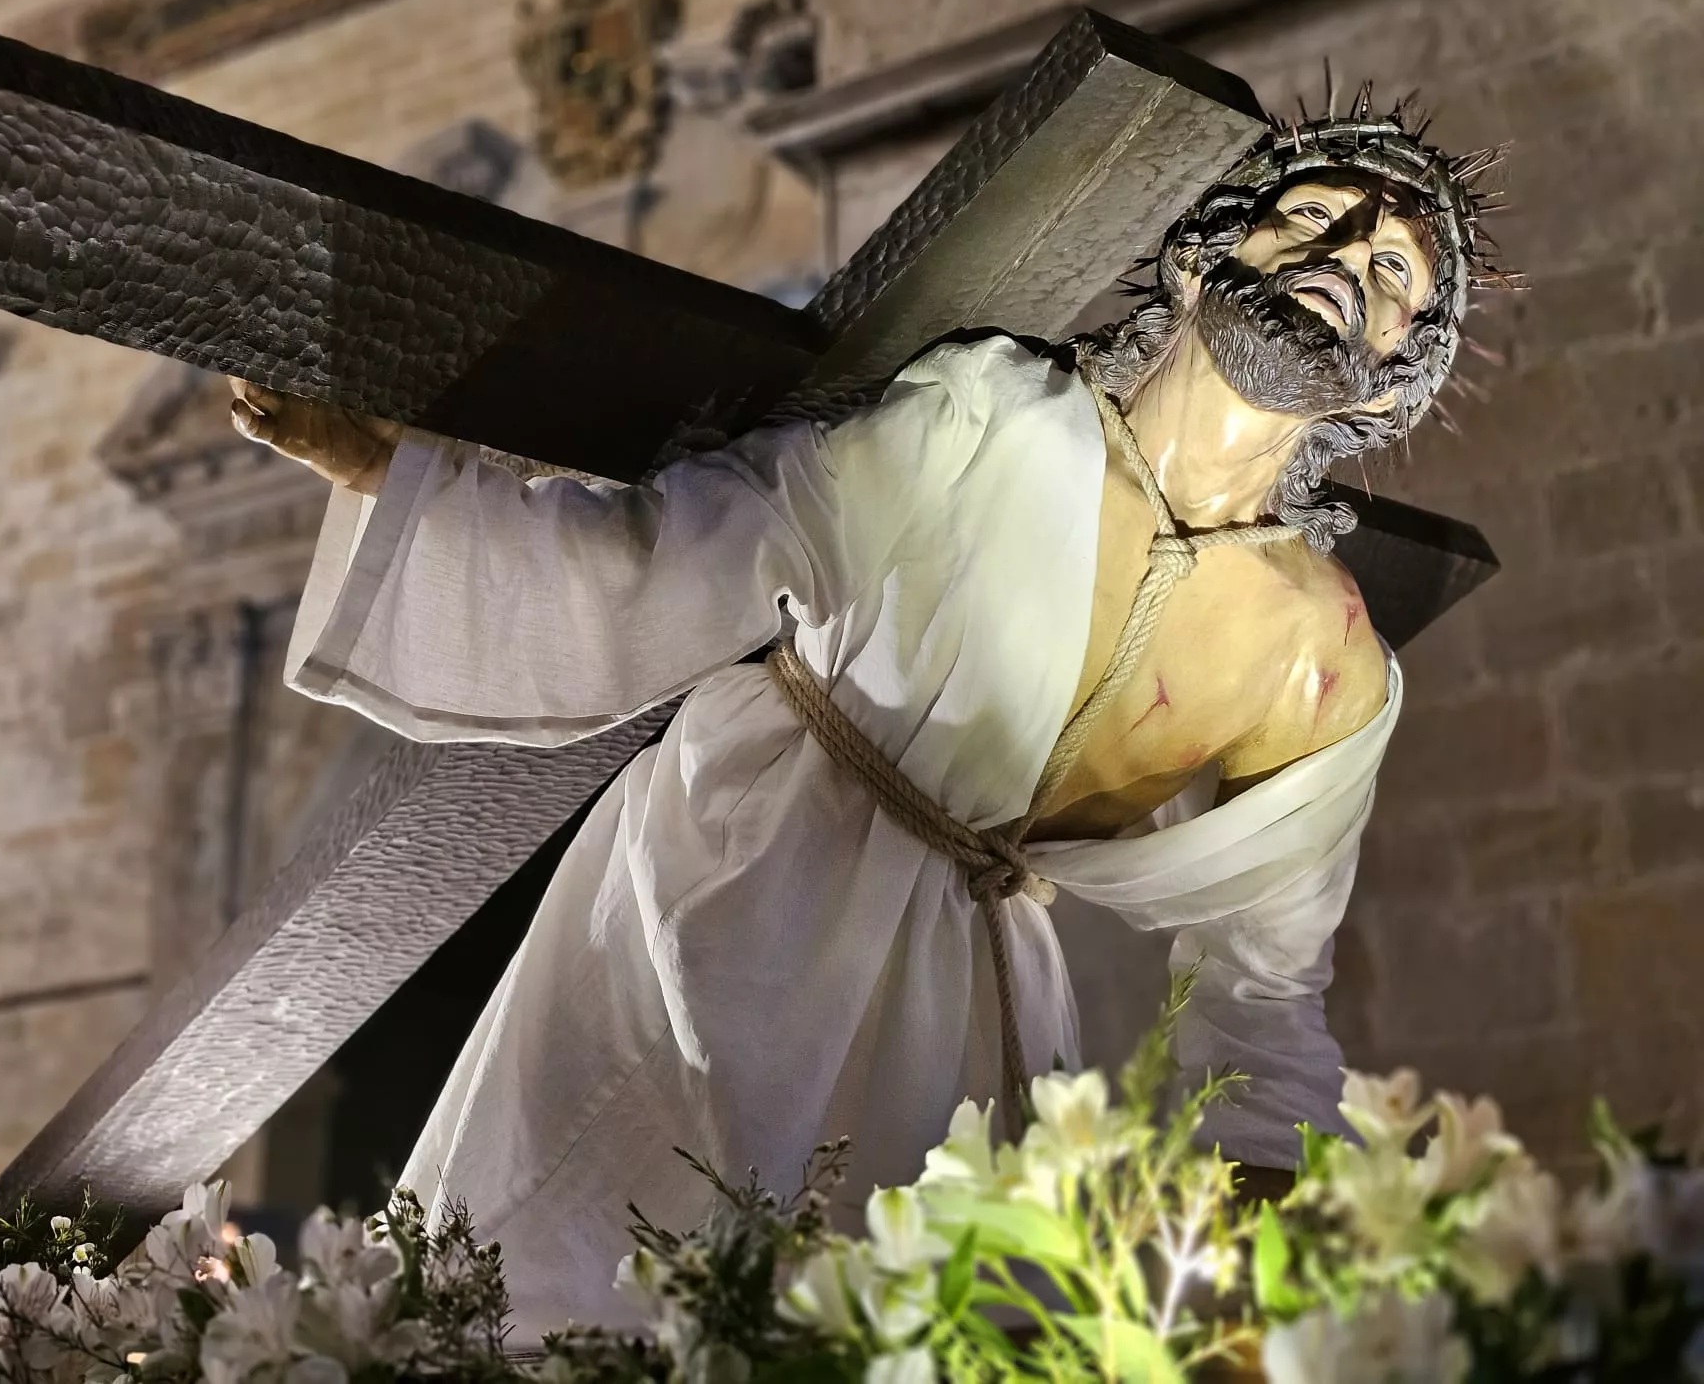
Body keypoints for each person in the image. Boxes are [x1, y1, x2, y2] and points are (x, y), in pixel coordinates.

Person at [229, 104, 1501, 1335]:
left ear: (1394, 377)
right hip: (729, 883)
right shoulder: (987, 417)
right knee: (571, 1277)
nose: (1343, 258)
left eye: (1392, 267)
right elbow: (693, 550)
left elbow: (1264, 981)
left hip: (954, 1001)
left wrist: (1254, 1238)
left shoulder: (1317, 657)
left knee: (874, 1324)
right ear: (1197, 255)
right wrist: (400, 484)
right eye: (1313, 216)